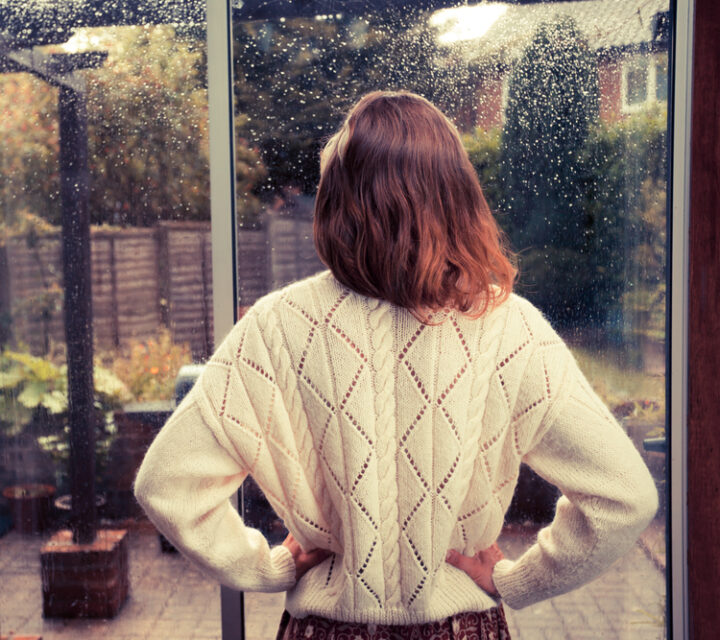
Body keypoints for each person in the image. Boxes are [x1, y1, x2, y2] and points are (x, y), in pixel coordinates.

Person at [133, 91, 658, 639]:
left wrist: (268, 567)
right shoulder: (509, 327)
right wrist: (517, 580)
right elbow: (625, 496)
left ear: (338, 200)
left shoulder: (275, 327)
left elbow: (167, 485)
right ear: (458, 197)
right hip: (462, 629)